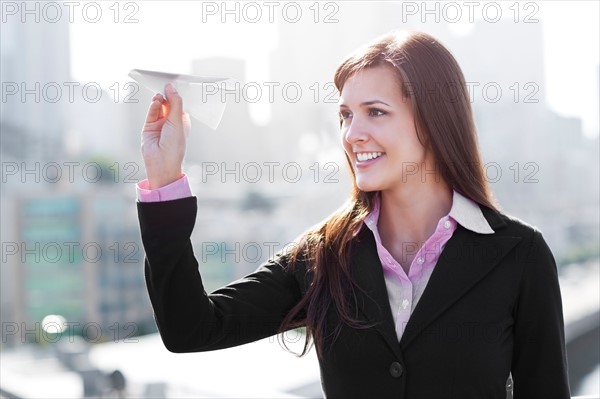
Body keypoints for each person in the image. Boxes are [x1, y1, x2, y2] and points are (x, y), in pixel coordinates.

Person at [135, 31, 570, 398]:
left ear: (435, 119)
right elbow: (191, 329)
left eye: (375, 112)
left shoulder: (518, 255)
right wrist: (164, 178)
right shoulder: (321, 255)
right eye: (345, 115)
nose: (352, 134)